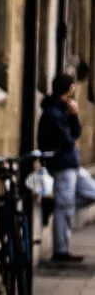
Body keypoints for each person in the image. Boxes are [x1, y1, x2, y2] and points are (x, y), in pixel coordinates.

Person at [37, 73, 95, 263]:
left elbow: (76, 132)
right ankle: (60, 251)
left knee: (91, 193)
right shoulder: (53, 113)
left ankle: (59, 206)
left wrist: (74, 116)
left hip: (72, 164)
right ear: (69, 89)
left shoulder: (63, 110)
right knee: (66, 206)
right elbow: (68, 139)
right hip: (62, 164)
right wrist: (71, 121)